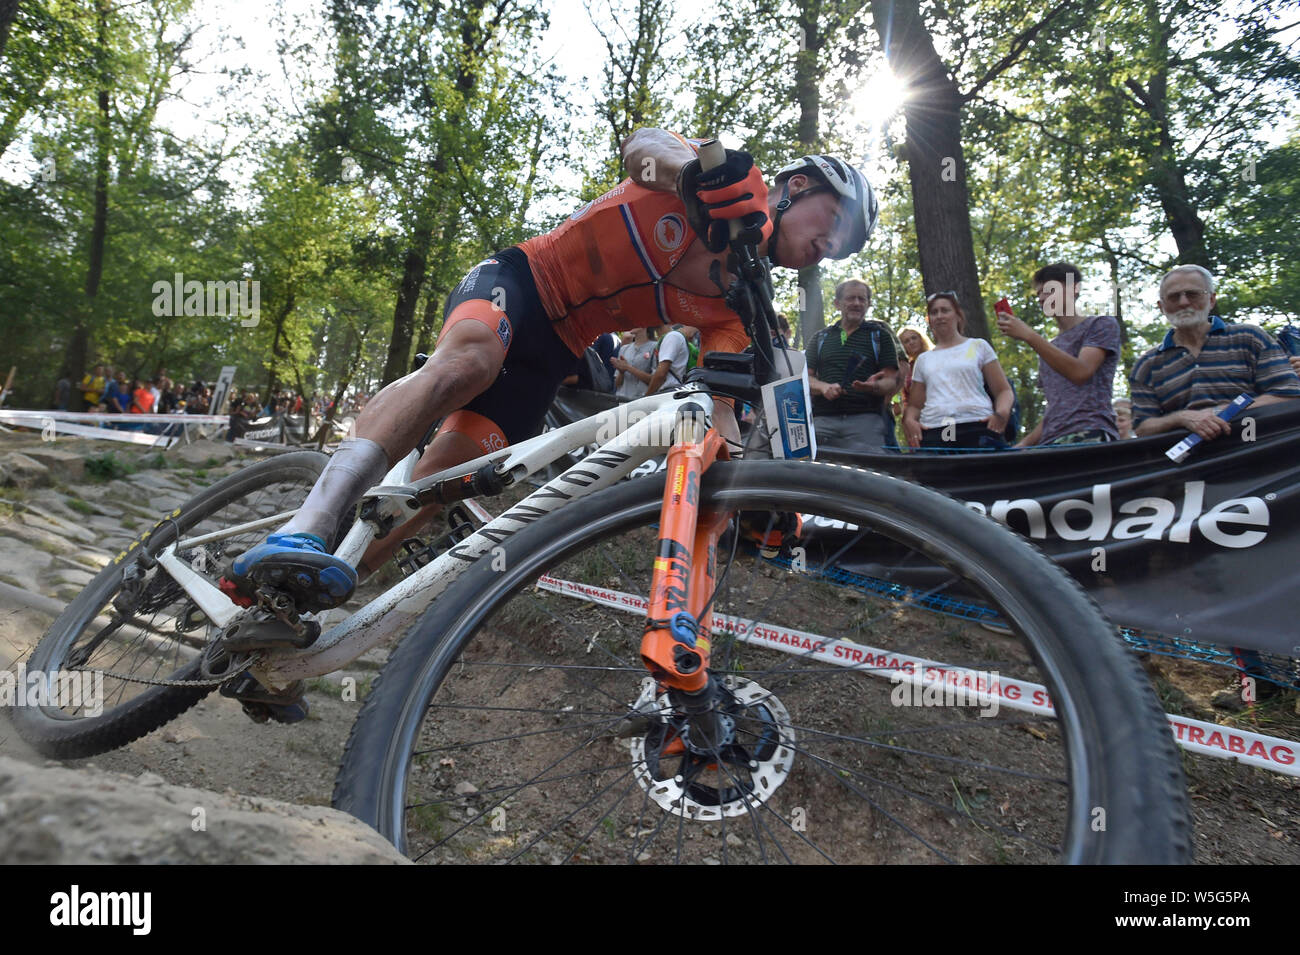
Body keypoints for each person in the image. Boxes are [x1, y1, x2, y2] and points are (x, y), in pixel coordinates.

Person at [227, 132, 879, 625]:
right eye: (838, 221)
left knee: (435, 495)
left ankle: (293, 611)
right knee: (469, 362)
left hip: (560, 349)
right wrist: (692, 181)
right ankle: (306, 525)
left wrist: (761, 497)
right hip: (523, 282)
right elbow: (640, 150)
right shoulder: (719, 172)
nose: (836, 245)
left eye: (849, 247)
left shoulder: (742, 303)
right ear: (797, 186)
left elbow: (726, 423)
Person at [1130, 265, 1300, 440]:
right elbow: (1142, 428)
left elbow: (1289, 394)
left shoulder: (1249, 338)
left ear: (1211, 299)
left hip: (1258, 448)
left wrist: (1223, 412)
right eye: (1173, 297)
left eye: (1192, 294)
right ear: (1161, 306)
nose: (1183, 302)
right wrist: (1182, 417)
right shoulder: (1147, 365)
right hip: (1194, 460)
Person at [996, 262, 1121, 447]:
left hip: (1090, 434)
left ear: (1074, 289)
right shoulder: (1050, 347)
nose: (1041, 298)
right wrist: (1020, 447)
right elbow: (1055, 408)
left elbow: (1081, 372)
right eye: (1038, 293)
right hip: (1051, 442)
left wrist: (1030, 336)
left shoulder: (1101, 325)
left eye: (1048, 290)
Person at [902, 291, 1015, 450]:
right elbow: (915, 406)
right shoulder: (923, 360)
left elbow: (1003, 390)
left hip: (978, 425)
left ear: (958, 315)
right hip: (936, 429)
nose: (940, 316)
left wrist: (1001, 414)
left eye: (945, 310)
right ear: (929, 320)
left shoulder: (977, 346)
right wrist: (910, 421)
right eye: (934, 312)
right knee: (941, 475)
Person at [805, 278, 900, 448]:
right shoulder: (820, 338)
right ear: (837, 303)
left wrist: (873, 386)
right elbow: (805, 379)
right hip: (822, 421)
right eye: (850, 298)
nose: (856, 303)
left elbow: (891, 381)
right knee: (817, 472)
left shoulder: (880, 336)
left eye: (862, 299)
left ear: (868, 304)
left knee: (867, 471)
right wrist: (823, 387)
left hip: (866, 422)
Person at [889, 324, 933, 421]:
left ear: (921, 339)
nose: (911, 342)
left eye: (914, 338)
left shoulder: (935, 358)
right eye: (906, 341)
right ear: (902, 346)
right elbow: (906, 399)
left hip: (942, 415)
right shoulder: (906, 368)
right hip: (918, 419)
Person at [612, 327, 660, 399]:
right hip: (622, 399)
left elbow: (655, 380)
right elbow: (617, 384)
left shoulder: (655, 347)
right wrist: (621, 372)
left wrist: (628, 368)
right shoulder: (624, 348)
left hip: (641, 401)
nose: (632, 325)